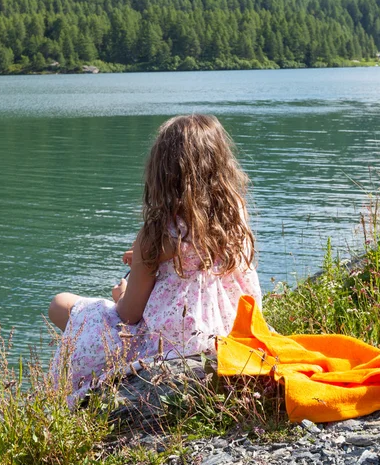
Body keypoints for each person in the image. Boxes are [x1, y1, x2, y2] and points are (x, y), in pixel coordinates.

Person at [48, 114, 262, 398]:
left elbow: (130, 313)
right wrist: (143, 258)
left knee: (60, 304)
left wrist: (121, 291)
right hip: (232, 334)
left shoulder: (158, 235)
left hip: (169, 347)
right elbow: (198, 255)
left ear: (162, 173)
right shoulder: (234, 215)